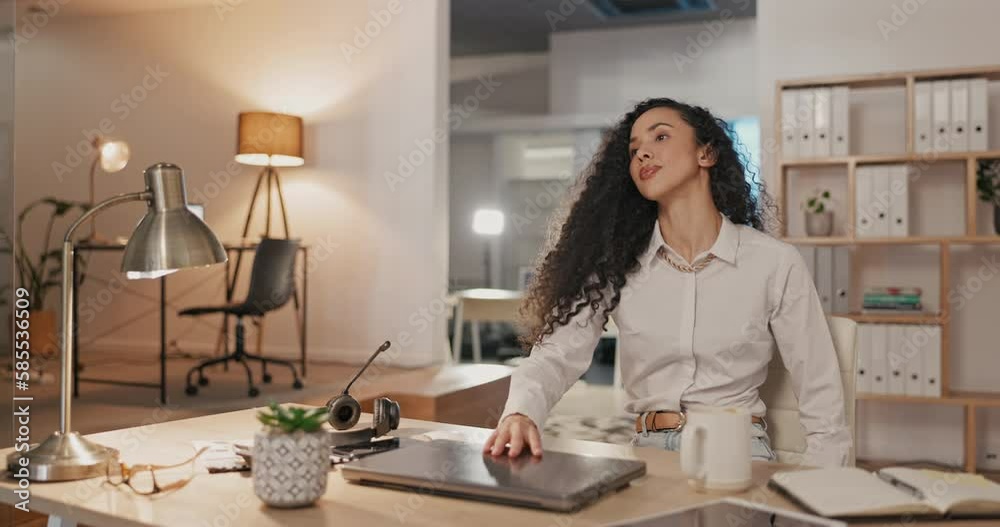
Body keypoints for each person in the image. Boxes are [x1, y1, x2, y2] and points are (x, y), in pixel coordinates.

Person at [482, 98, 852, 468]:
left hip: (738, 452)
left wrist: (828, 480)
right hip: (649, 453)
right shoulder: (617, 264)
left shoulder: (774, 261)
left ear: (706, 153)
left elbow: (817, 379)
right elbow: (557, 353)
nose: (643, 153)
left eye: (660, 137)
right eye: (634, 149)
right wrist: (521, 412)